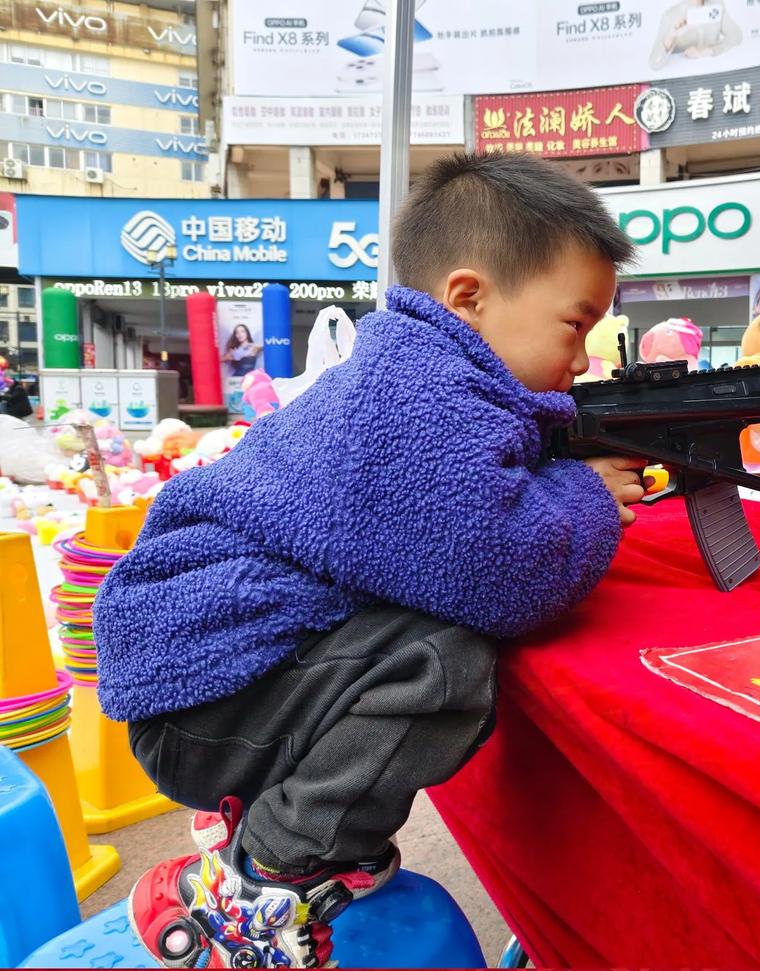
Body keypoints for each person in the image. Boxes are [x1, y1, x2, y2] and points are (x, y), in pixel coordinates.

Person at [95, 152, 645, 968]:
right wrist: (590, 496)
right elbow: (504, 570)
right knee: (445, 658)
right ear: (469, 297)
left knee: (426, 641)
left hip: (224, 678)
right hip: (205, 702)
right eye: (574, 323)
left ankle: (275, 825)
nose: (585, 357)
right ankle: (269, 878)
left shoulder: (422, 375)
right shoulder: (418, 399)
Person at [649, 0, 742, 69]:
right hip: (685, 81)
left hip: (714, 73)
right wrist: (670, 38)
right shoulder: (670, 15)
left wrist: (707, 51)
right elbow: (654, 63)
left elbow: (736, 35)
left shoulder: (716, 6)